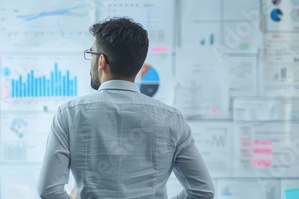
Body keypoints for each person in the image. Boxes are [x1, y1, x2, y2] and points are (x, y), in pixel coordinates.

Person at [37, 17, 215, 199]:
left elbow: (48, 190)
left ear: (101, 62)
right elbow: (203, 191)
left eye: (92, 54)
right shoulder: (172, 119)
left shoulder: (69, 114)